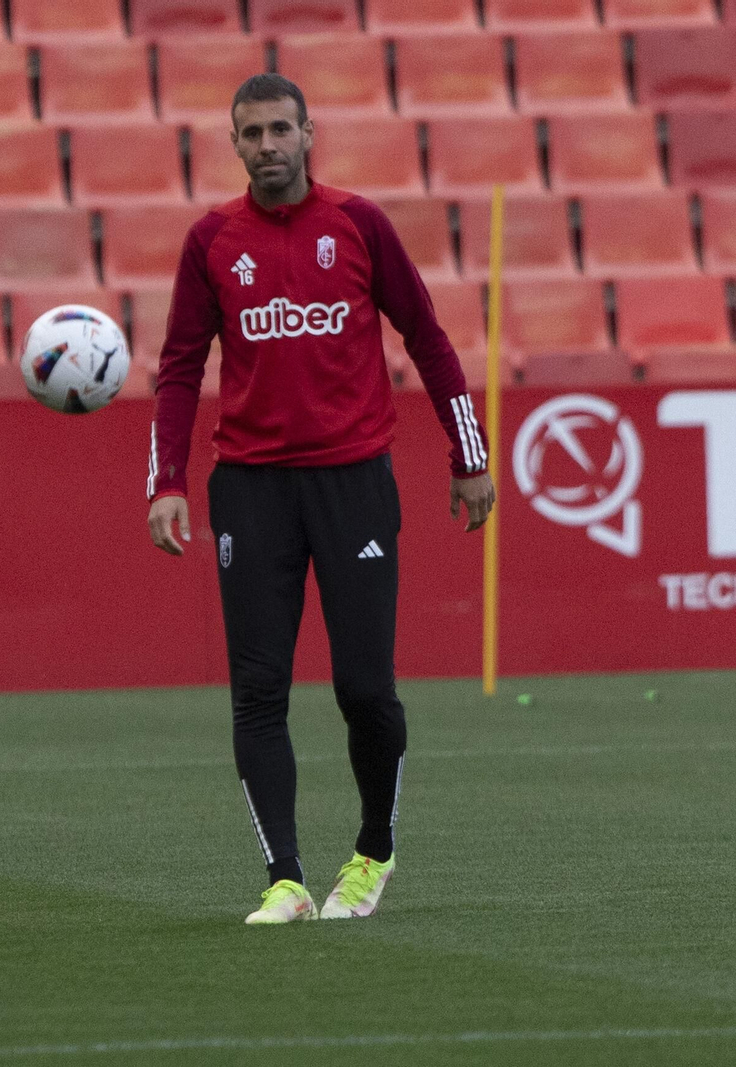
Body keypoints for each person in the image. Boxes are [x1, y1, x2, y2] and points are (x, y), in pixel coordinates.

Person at [145, 75, 495, 924]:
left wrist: (469, 452)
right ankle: (285, 879)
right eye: (251, 134)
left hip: (354, 482)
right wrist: (166, 482)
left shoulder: (359, 224)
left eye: (280, 130)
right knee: (258, 691)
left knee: (365, 689)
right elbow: (180, 367)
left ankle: (373, 852)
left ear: (309, 134)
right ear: (234, 145)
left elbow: (428, 337)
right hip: (253, 489)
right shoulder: (211, 241)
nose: (267, 145)